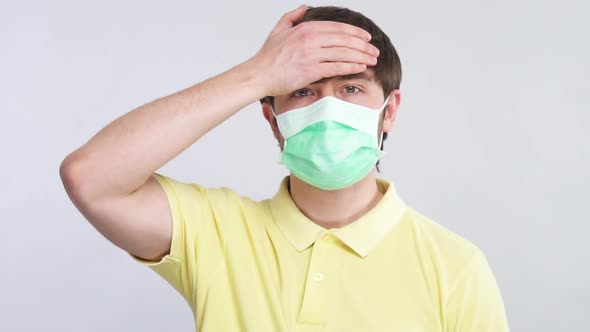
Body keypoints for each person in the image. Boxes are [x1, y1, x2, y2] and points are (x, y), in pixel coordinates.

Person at [59, 4, 509, 331]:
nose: (328, 109)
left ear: (388, 111)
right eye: (302, 92)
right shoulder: (215, 232)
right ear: (272, 119)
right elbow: (90, 178)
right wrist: (258, 73)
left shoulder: (455, 268)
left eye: (351, 89)